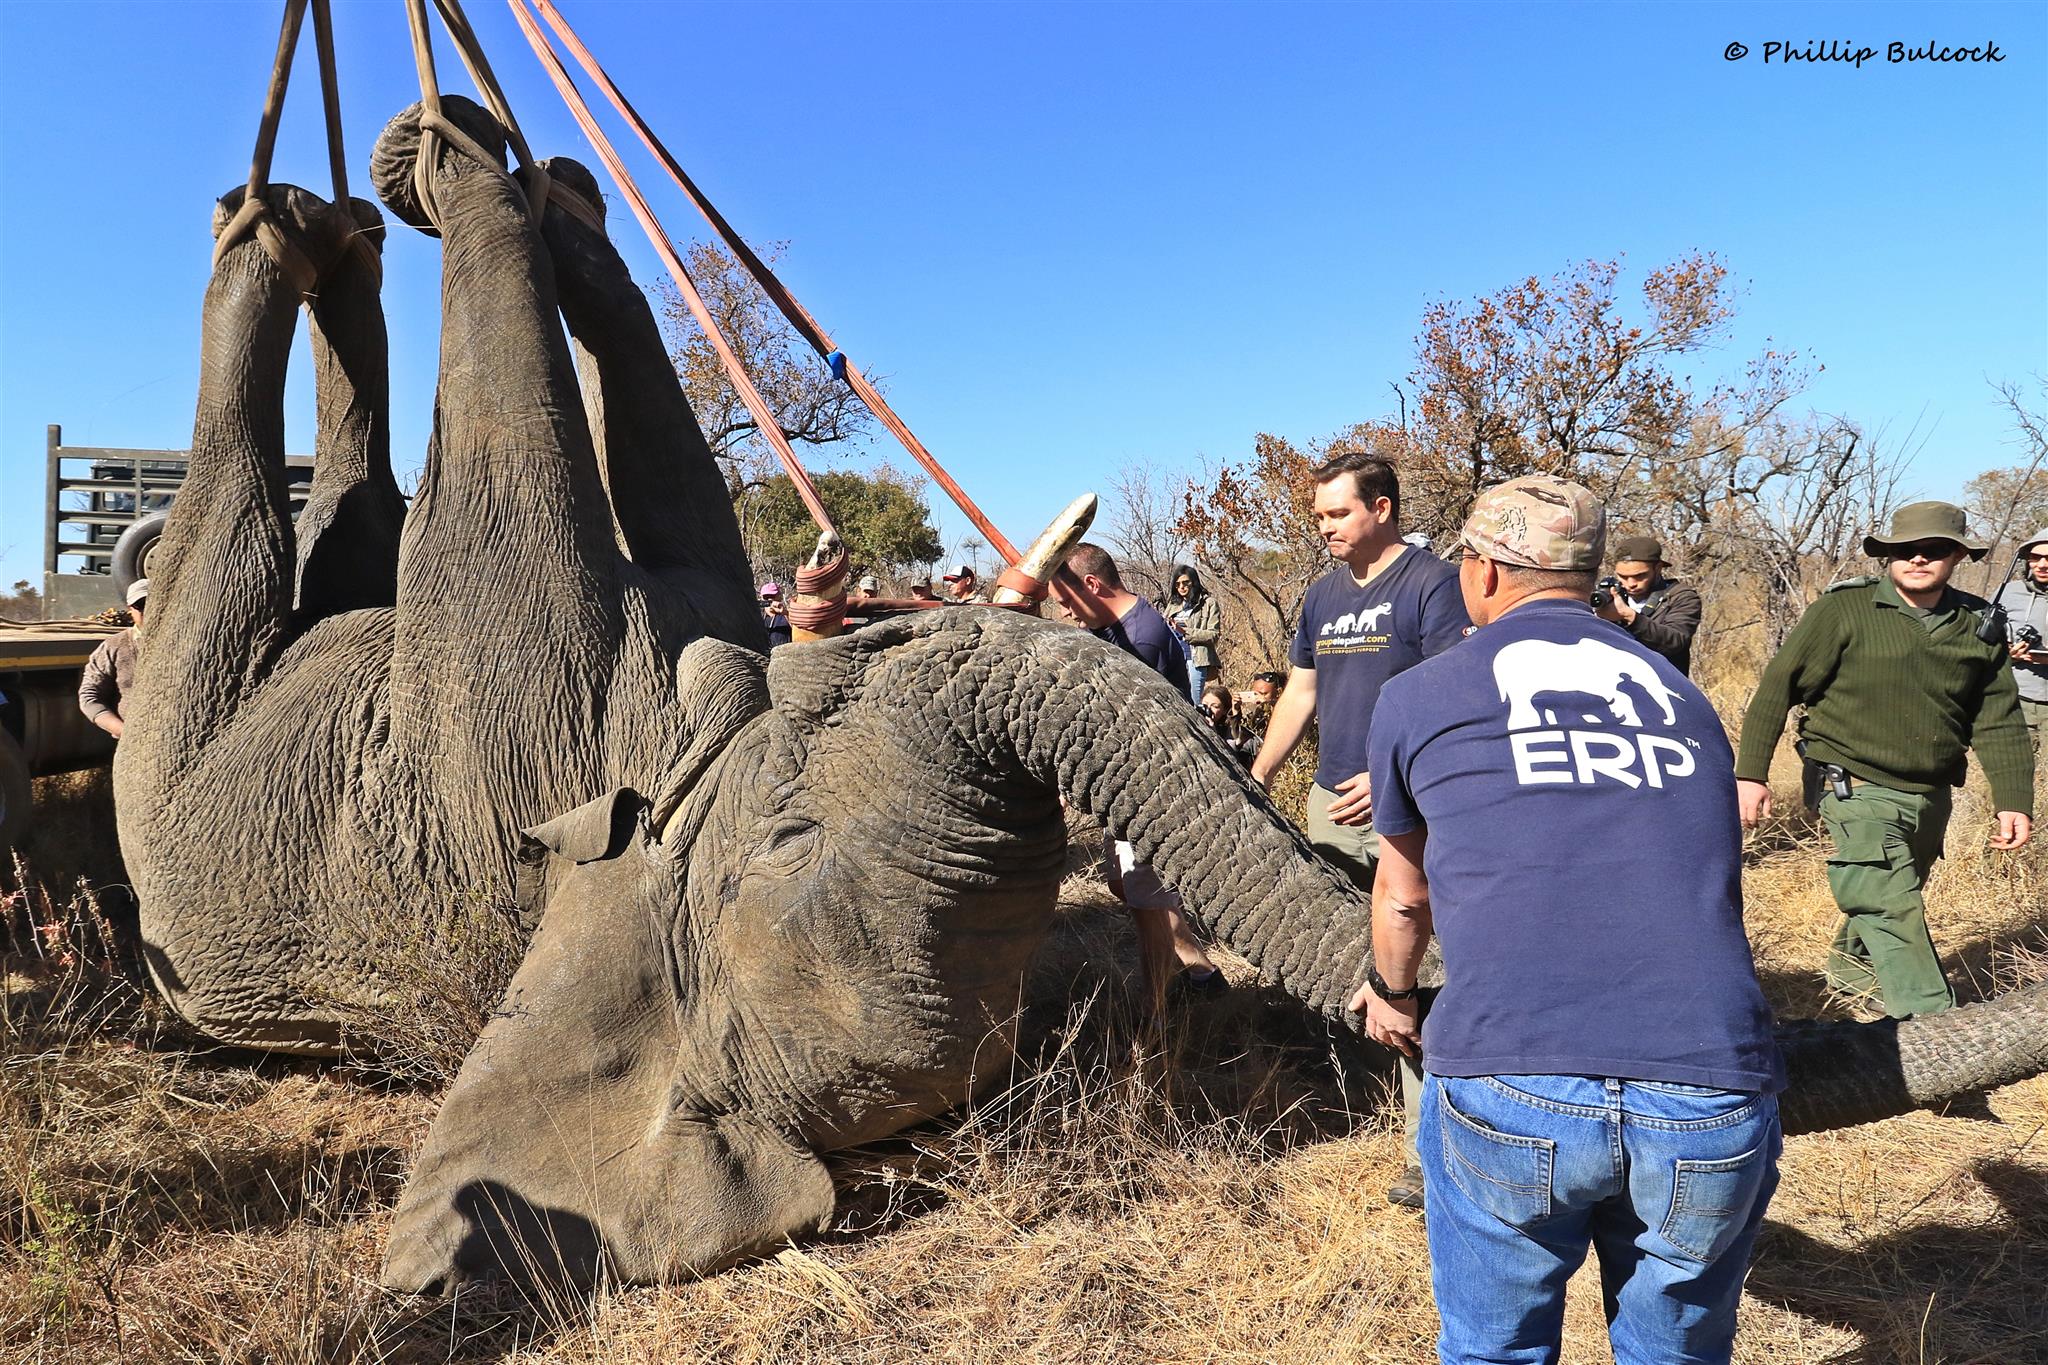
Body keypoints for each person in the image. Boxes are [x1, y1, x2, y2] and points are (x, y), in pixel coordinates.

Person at [1358, 475, 1784, 1365]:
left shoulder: (1422, 693)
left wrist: (1391, 992)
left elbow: (1404, 893)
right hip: (1710, 1080)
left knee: (1493, 1350)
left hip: (1515, 1068)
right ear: (1591, 578)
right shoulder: (1682, 694)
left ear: (1479, 572)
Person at [1249, 449, 1468, 1207]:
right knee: (1334, 941)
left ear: (1381, 507)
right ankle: (1348, 1078)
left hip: (1402, 809)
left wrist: (1390, 777)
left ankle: (1428, 1145)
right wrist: (1261, 771)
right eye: (1318, 516)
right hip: (1326, 799)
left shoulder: (1434, 584)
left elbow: (1453, 691)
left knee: (1414, 962)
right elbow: (1302, 691)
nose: (1325, 528)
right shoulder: (1322, 595)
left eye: (1336, 513)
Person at [1737, 501, 2034, 1019]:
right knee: (1889, 901)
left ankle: (1849, 973)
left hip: (1931, 791)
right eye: (1904, 550)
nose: (1917, 559)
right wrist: (1750, 773)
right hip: (1850, 781)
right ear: (1887, 555)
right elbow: (1777, 688)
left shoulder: (1977, 622)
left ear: (1958, 556)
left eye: (1934, 549)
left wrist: (2013, 800)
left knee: (1891, 887)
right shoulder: (1843, 610)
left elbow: (2000, 716)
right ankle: (1936, 1031)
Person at [1063, 542, 1225, 1001]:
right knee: (1128, 889)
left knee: (1145, 905)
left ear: (1091, 585)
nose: (1067, 614)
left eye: (1067, 602)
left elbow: (1130, 726)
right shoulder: (1115, 628)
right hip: (1129, 792)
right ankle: (1201, 971)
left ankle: (1154, 1019)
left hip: (1154, 792)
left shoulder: (1142, 638)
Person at [1594, 534, 1703, 675]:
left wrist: (1629, 617)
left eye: (1640, 576)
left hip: (1664, 684)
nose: (1631, 584)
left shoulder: (1681, 597)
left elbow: (1675, 641)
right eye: (1623, 577)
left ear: (1658, 568)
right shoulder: (1609, 596)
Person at [1994, 526, 2048, 751]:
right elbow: (1982, 643)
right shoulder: (2008, 592)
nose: (2042, 564)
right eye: (2036, 557)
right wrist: (2007, 653)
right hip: (2017, 699)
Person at [79, 578, 148, 739]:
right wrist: (124, 732)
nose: (148, 610)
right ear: (130, 608)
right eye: (141, 605)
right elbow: (89, 696)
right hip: (134, 746)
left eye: (153, 603)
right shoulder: (113, 646)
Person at [1161, 565, 1221, 704]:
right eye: (1177, 584)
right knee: (1176, 700)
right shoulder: (1173, 604)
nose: (1181, 587)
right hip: (1174, 658)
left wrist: (1186, 632)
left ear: (1193, 582)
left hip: (1197, 659)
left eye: (1185, 583)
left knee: (1194, 701)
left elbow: (1214, 635)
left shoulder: (1208, 603)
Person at [758, 582, 793, 648]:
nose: (769, 599)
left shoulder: (786, 616)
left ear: (779, 596)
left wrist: (785, 613)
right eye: (766, 597)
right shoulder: (760, 617)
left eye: (772, 596)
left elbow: (798, 629)